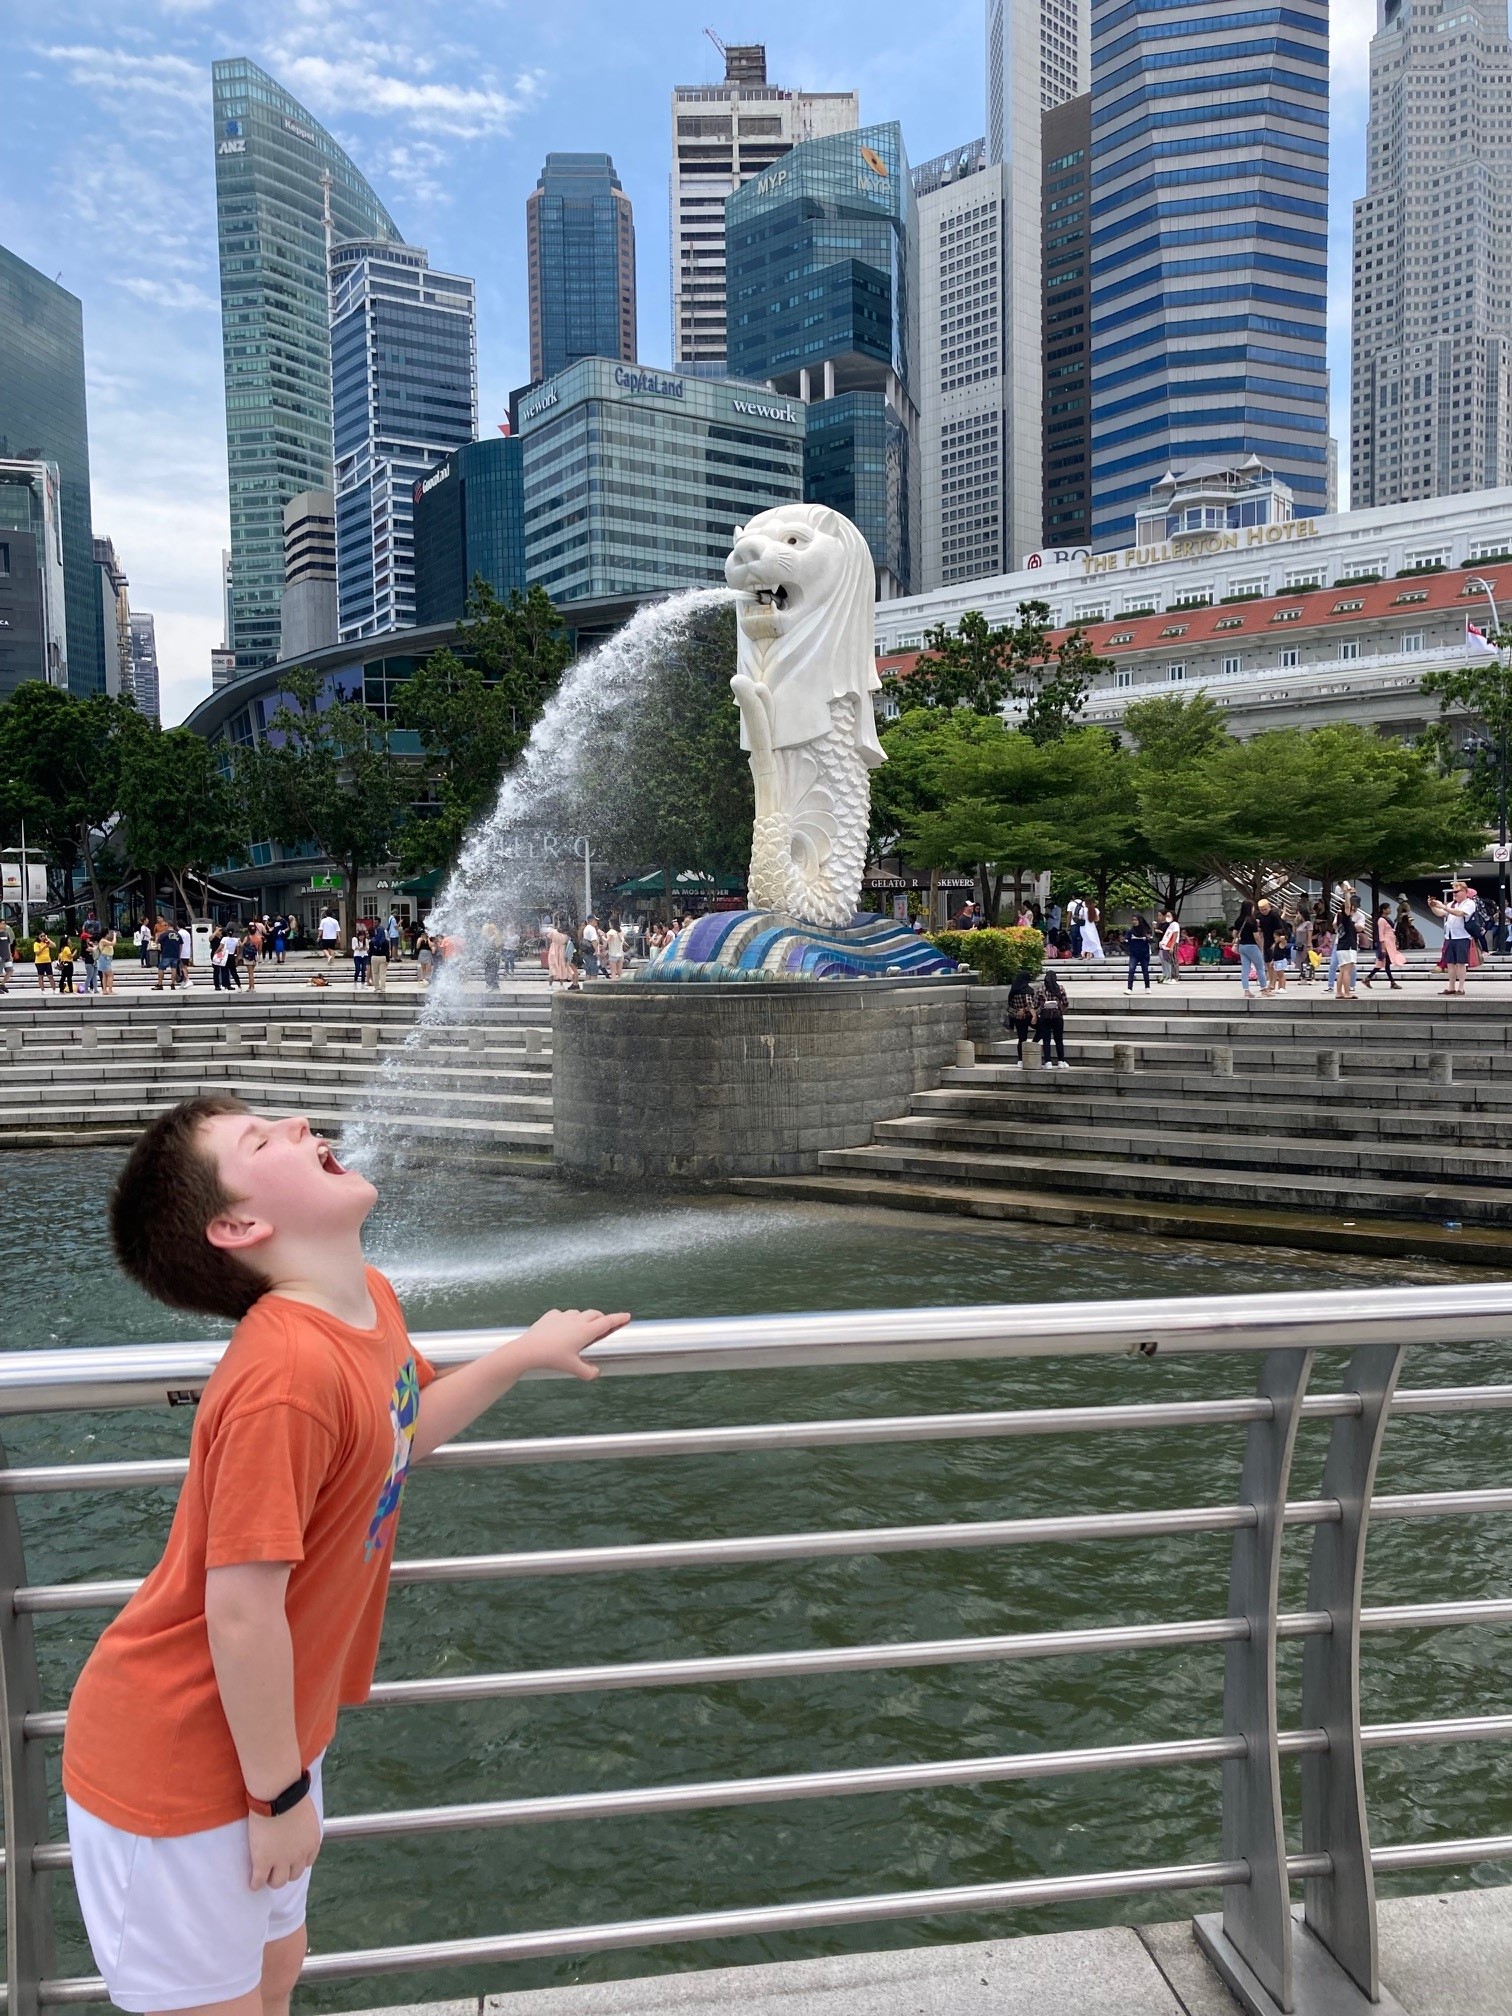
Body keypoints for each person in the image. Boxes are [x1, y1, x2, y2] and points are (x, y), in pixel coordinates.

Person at [62, 1095, 625, 2016]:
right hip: (186, 1763)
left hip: (274, 1745)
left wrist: (520, 1355)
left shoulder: (367, 1307)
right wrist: (278, 1796)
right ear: (238, 1225)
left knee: (279, 1969)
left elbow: (397, 1432)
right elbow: (241, 1610)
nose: (296, 1126)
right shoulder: (286, 1374)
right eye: (261, 1139)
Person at [1430, 879, 1477, 996]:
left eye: (1457, 891)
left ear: (1465, 892)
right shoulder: (1452, 904)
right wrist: (1433, 906)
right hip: (1450, 937)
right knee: (1450, 963)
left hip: (1462, 937)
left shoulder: (1469, 903)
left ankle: (1461, 988)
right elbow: (1441, 913)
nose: (1455, 894)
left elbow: (1459, 913)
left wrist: (1444, 907)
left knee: (1461, 963)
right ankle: (1451, 987)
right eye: (1453, 892)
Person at [1032, 969, 1070, 1068]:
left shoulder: (1040, 990)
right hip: (1057, 1017)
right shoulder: (1060, 988)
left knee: (1046, 1040)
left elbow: (1035, 1004)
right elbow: (1066, 1002)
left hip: (1045, 1017)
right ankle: (1061, 1061)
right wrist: (1060, 1008)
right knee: (1059, 1039)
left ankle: (1048, 1062)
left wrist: (1042, 1007)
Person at [1363, 904, 1403, 991]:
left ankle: (1368, 978)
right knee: (1386, 963)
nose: (1390, 910)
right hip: (1386, 944)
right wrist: (1383, 947)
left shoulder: (1387, 919)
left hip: (1390, 943)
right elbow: (1381, 934)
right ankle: (1392, 982)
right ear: (1383, 910)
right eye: (1388, 908)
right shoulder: (1381, 920)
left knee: (1382, 964)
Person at [1004, 969, 1035, 1067]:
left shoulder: (1014, 990)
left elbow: (1010, 1006)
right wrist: (1028, 1012)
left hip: (1018, 1019)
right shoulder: (1027, 991)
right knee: (1041, 1029)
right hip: (1028, 1017)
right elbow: (1030, 1005)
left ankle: (1020, 1060)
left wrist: (1018, 1011)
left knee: (1021, 1038)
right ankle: (1033, 1044)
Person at [1236, 902, 1265, 997]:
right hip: (1252, 946)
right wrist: (1261, 947)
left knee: (1245, 969)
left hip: (1242, 946)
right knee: (1260, 967)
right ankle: (1264, 989)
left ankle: (1246, 990)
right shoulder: (1252, 920)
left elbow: (1234, 934)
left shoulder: (1239, 920)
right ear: (1250, 908)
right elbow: (1256, 936)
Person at [1334, 899, 1361, 1000]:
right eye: (1352, 910)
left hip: (1341, 947)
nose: (1353, 912)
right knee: (1347, 971)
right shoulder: (1346, 920)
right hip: (1348, 947)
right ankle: (1347, 993)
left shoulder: (1341, 922)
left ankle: (1339, 992)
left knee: (1342, 970)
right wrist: (1347, 894)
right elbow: (1347, 907)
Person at [1125, 913, 1152, 992]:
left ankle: (1147, 986)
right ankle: (1129, 988)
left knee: (1145, 970)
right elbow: (1127, 940)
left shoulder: (1146, 930)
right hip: (1134, 954)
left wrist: (1148, 938)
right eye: (1133, 920)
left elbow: (1151, 940)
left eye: (1136, 920)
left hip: (1144, 954)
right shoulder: (1130, 931)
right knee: (1131, 969)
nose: (1134, 922)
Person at [1267, 919, 1292, 993]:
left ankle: (1283, 987)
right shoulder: (1276, 945)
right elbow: (1274, 953)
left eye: (1275, 937)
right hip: (1276, 960)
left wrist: (1282, 937)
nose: (1274, 939)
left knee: (1281, 975)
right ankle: (1279, 987)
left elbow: (1284, 940)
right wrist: (1272, 960)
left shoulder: (1282, 943)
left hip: (1281, 960)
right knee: (1278, 974)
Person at [1157, 909, 1181, 984]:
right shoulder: (1170, 925)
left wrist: (1172, 946)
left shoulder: (1175, 924)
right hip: (1169, 944)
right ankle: (1171, 977)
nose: (1167, 917)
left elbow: (1175, 934)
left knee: (1174, 961)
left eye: (1169, 916)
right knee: (1170, 961)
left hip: (1173, 944)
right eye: (1166, 916)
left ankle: (1175, 977)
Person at [368, 920, 389, 996]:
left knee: (375, 973)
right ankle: (383, 988)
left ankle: (376, 987)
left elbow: (370, 951)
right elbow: (387, 951)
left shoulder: (372, 941)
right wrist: (388, 959)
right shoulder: (385, 941)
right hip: (383, 957)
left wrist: (369, 960)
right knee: (382, 973)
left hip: (374, 957)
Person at [480, 921, 501, 991]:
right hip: (489, 958)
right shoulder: (488, 938)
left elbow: (497, 946)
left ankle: (492, 985)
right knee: (491, 971)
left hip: (492, 958)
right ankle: (492, 984)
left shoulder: (494, 937)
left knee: (492, 971)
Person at [97, 928, 118, 996]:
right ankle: (110, 990)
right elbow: (113, 943)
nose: (109, 934)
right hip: (104, 959)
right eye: (108, 933)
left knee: (105, 975)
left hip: (106, 959)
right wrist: (114, 936)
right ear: (106, 934)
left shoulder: (104, 941)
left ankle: (105, 990)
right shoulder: (103, 941)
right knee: (110, 974)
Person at [0, 916, 13, 993]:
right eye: (3, 924)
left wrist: (10, 954)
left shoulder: (6, 933)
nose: (4, 925)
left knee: (10, 970)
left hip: (6, 955)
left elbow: (8, 944)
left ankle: (2, 984)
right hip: (1, 956)